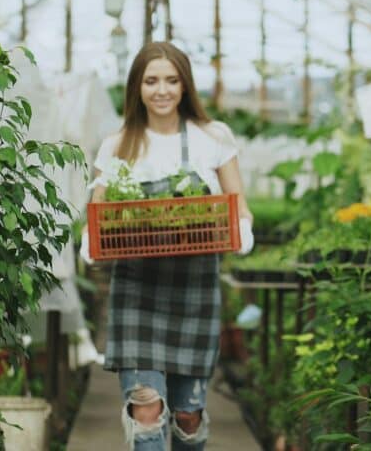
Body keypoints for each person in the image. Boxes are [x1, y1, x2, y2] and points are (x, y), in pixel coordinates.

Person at [89, 42, 253, 451]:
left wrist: (242, 230)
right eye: (151, 81)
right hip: (137, 290)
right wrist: (90, 241)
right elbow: (98, 211)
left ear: (185, 86)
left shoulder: (212, 137)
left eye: (171, 80)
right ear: (137, 87)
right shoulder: (118, 144)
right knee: (145, 410)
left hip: (194, 288)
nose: (161, 90)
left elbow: (238, 205)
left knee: (188, 415)